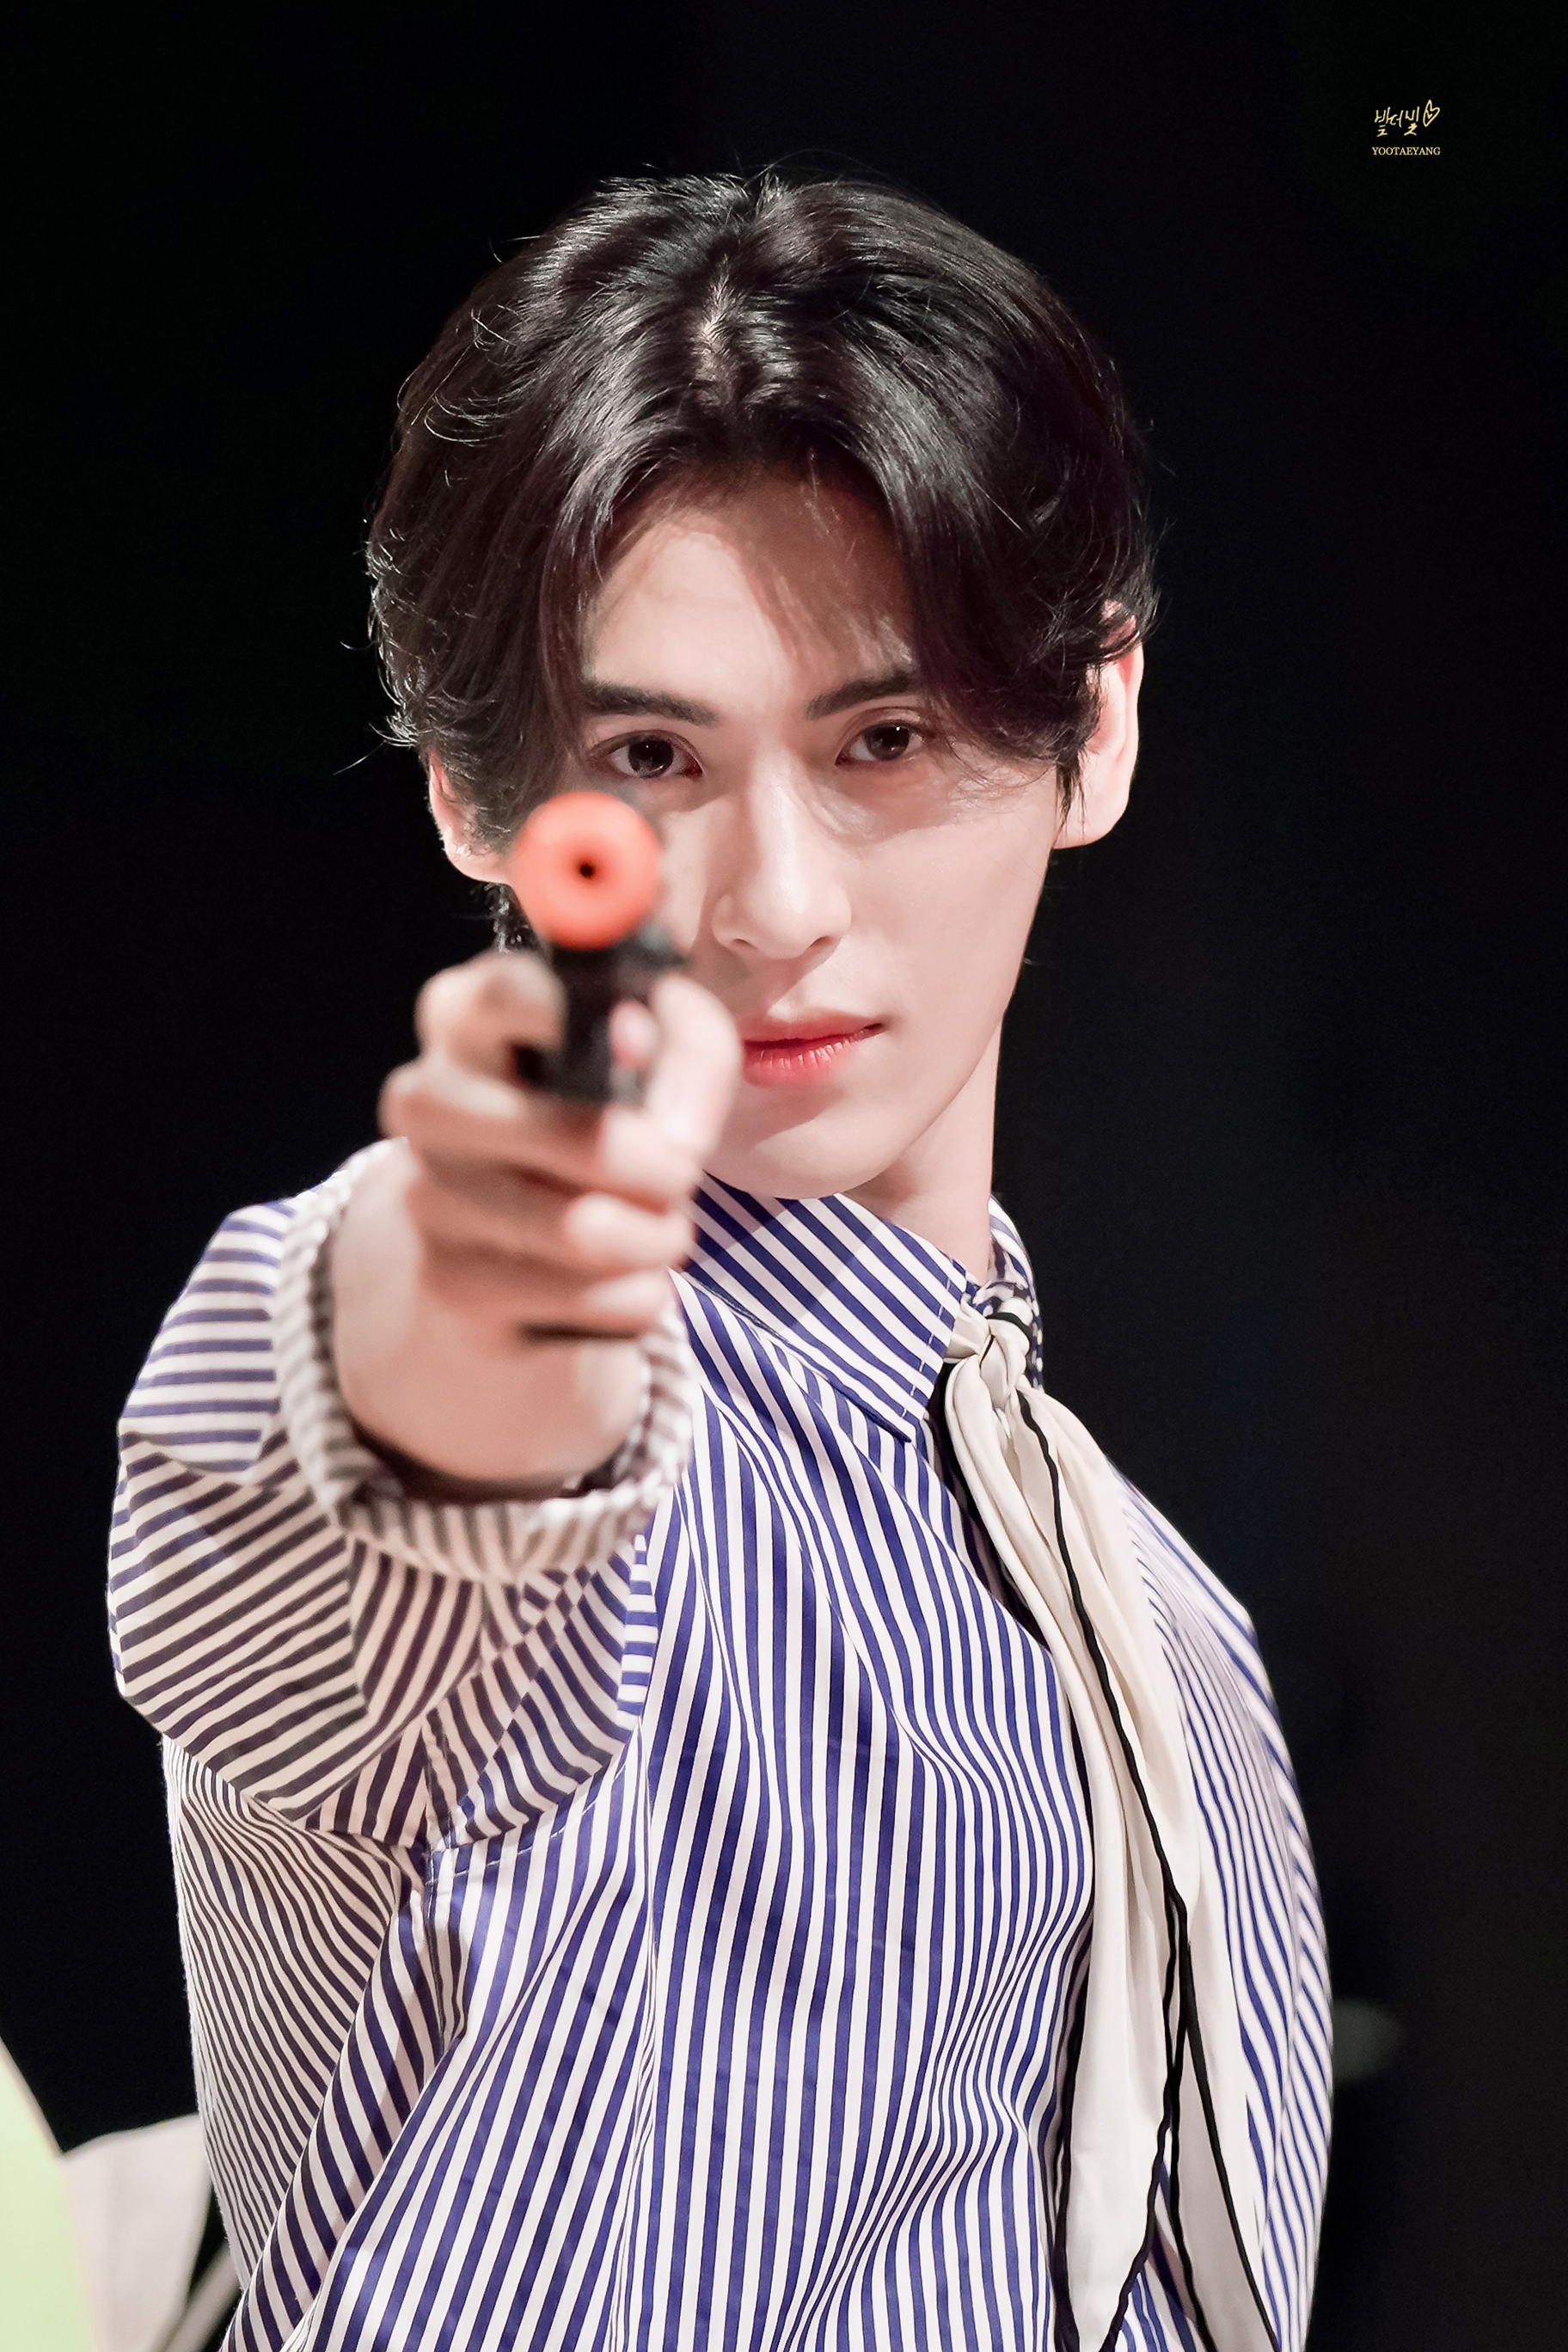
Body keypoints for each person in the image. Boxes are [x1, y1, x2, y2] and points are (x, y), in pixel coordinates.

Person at [108, 174, 1330, 2352]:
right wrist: (467, 1311)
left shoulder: (1174, 1640)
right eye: (652, 758)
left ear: (1099, 729)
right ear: (478, 805)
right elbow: (383, 1472)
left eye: (886, 740)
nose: (774, 901)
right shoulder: (552, 1426)